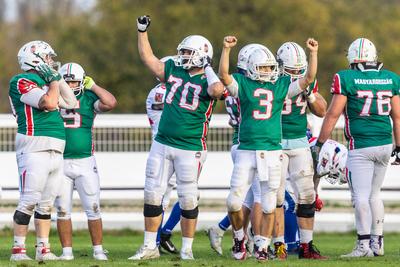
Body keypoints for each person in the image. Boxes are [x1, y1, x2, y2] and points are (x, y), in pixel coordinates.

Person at [130, 15, 224, 260]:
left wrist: (208, 66)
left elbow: (217, 91)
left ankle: (187, 250)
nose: (181, 55)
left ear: (201, 55)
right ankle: (150, 246)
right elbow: (148, 58)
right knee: (152, 194)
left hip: (190, 146)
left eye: (187, 52)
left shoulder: (209, 79)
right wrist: (142, 31)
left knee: (188, 198)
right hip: (162, 144)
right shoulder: (173, 69)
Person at [219, 35, 319, 261]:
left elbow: (308, 78)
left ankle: (263, 247)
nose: (267, 70)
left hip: (272, 151)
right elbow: (224, 76)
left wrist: (313, 54)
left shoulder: (281, 85)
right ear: (253, 68)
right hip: (247, 149)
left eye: (270, 66)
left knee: (269, 202)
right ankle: (238, 237)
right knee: (234, 201)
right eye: (263, 67)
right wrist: (226, 50)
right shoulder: (243, 84)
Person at [313, 37, 400, 257]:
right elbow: (398, 117)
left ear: (352, 58)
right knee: (374, 195)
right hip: (384, 144)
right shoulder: (390, 78)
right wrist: (399, 147)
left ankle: (363, 245)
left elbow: (332, 114)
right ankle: (377, 242)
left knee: (360, 196)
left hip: (361, 145)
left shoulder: (346, 78)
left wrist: (320, 143)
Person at [9, 40, 77, 261]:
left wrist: (55, 78)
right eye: (47, 57)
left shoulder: (48, 79)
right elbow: (48, 103)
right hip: (33, 144)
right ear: (35, 58)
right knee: (29, 199)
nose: (51, 62)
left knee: (47, 203)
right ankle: (18, 250)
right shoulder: (21, 80)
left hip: (56, 146)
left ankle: (43, 249)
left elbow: (71, 101)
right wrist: (54, 82)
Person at [206, 44, 267, 256]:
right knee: (260, 196)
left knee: (246, 198)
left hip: (239, 141)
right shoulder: (246, 84)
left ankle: (229, 232)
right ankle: (258, 244)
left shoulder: (235, 82)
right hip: (250, 143)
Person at [54, 62, 117, 261]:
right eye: (67, 82)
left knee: (93, 207)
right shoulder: (53, 97)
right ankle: (66, 252)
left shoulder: (89, 98)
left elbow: (110, 102)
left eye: (75, 82)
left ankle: (98, 250)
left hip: (85, 161)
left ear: (82, 81)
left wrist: (94, 85)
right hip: (59, 161)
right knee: (62, 210)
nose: (71, 86)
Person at [273, 42, 327, 259]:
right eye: (291, 70)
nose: (295, 74)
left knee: (307, 195)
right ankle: (278, 245)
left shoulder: (307, 82)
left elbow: (322, 111)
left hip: (299, 142)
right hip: (275, 142)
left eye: (299, 70)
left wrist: (311, 95)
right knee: (275, 196)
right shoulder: (271, 81)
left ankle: (306, 246)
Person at [145, 78, 181, 254]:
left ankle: (163, 234)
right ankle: (157, 240)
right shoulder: (159, 91)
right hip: (165, 148)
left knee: (189, 196)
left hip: (177, 148)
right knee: (160, 200)